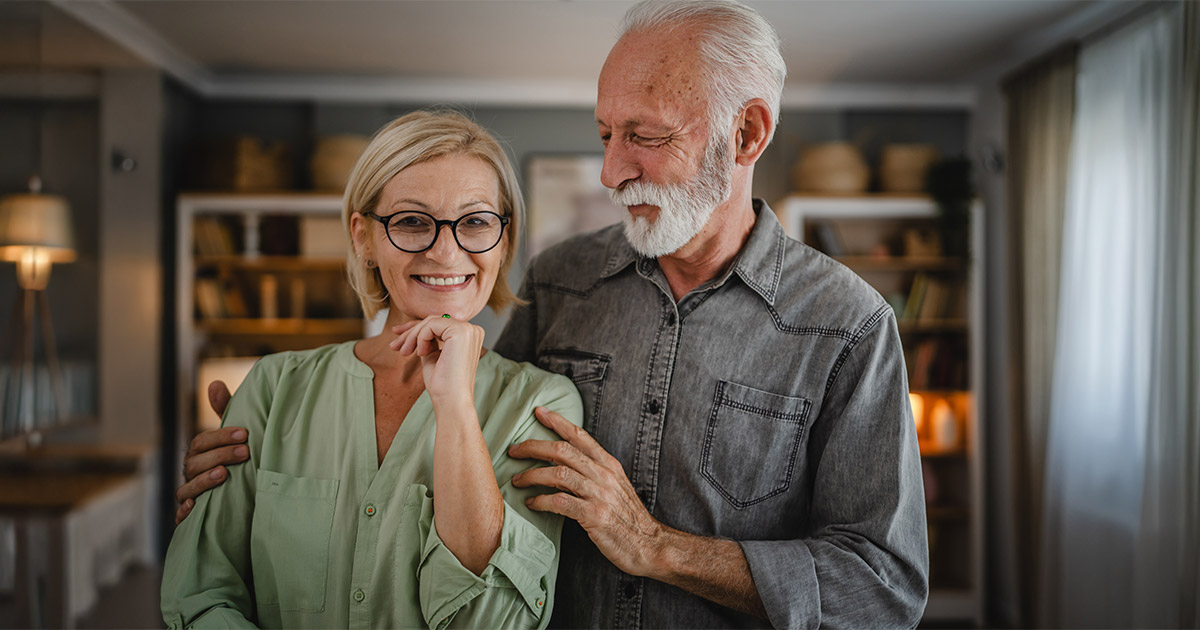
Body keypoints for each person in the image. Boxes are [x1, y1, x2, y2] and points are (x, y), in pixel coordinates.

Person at [177, 1, 930, 627]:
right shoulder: (562, 279)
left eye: (645, 135)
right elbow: (464, 433)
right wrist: (264, 465)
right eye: (606, 134)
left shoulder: (848, 326)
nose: (610, 170)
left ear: (748, 134)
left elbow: (883, 587)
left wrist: (654, 545)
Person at [161, 110, 583, 629]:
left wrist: (454, 406)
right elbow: (200, 594)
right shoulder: (272, 388)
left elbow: (493, 620)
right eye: (411, 221)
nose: (446, 250)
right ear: (363, 238)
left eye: (475, 221)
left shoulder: (542, 406)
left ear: (504, 240)